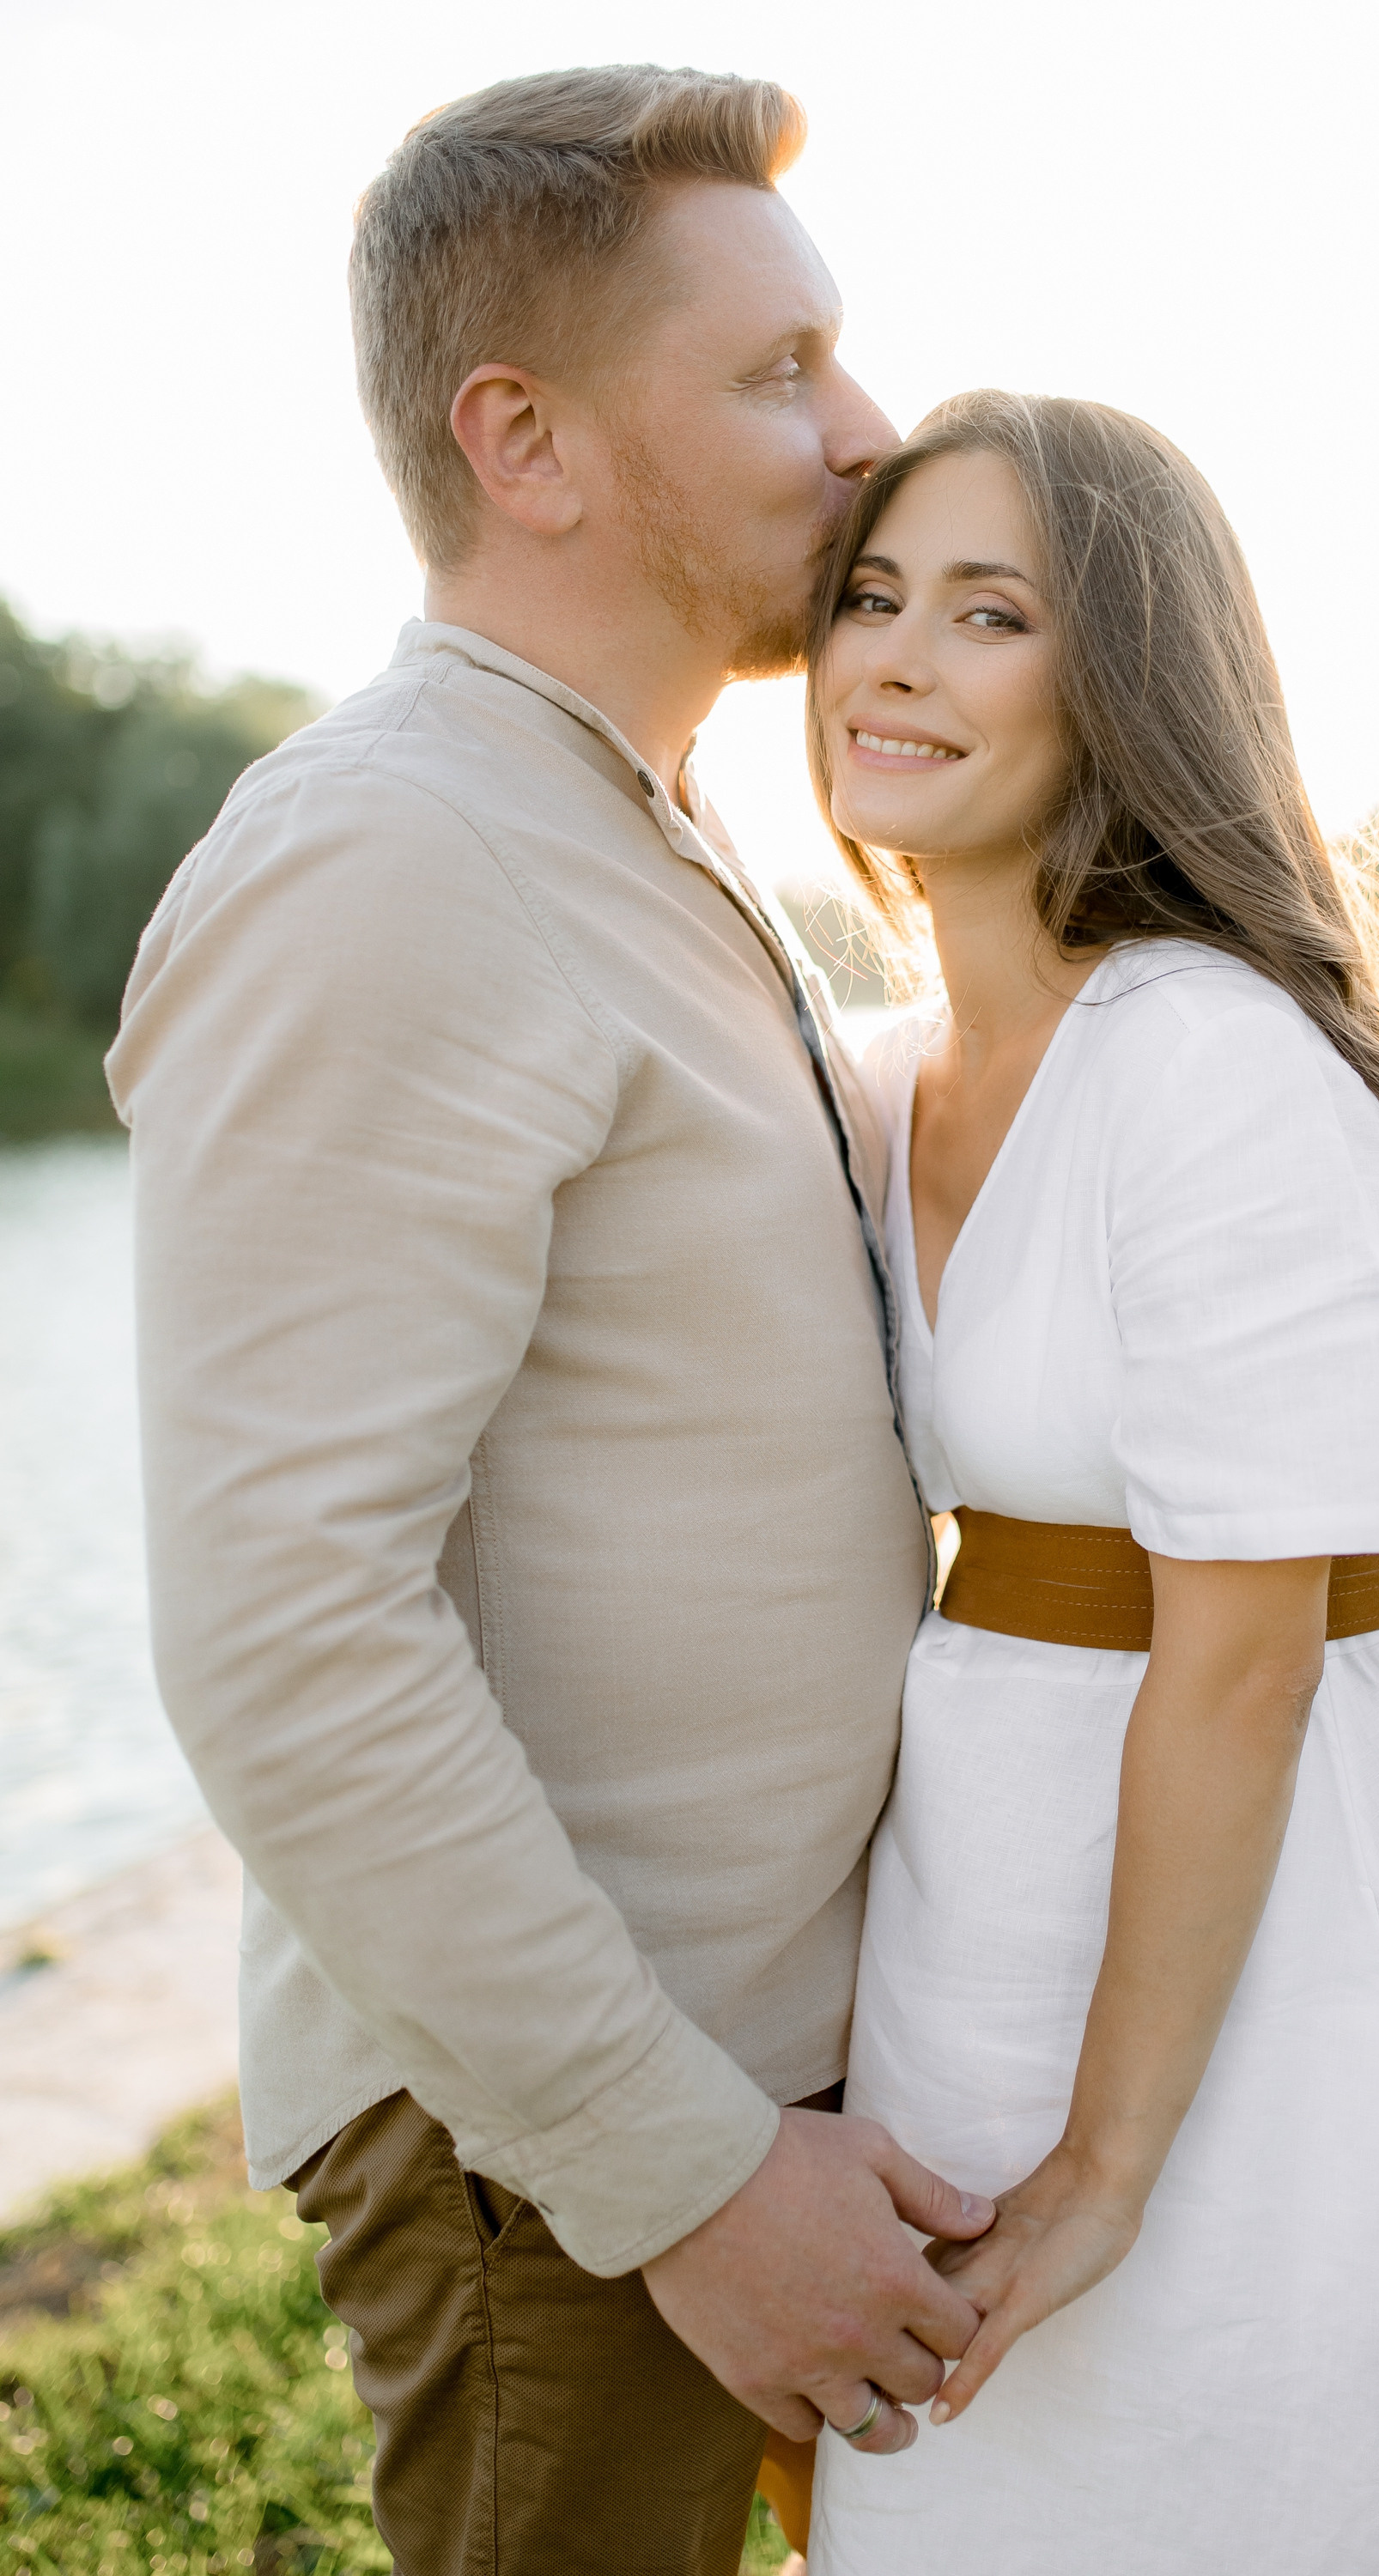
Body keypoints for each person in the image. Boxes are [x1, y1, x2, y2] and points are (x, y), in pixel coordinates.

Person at [106, 68, 996, 2576]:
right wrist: (687, 2179)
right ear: (529, 439)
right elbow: (285, 1630)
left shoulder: (640, 822)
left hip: (755, 2083)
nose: (868, 434)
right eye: (775, 374)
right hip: (563, 2152)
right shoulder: (386, 856)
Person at [800, 392, 1379, 2573]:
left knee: (1229, 2454)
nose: (896, 657)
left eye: (986, 613)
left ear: (1122, 681)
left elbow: (1240, 1670)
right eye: (870, 597)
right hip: (989, 1861)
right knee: (983, 2485)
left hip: (1264, 1884)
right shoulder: (879, 1069)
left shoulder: (1200, 1054)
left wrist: (1108, 2163)